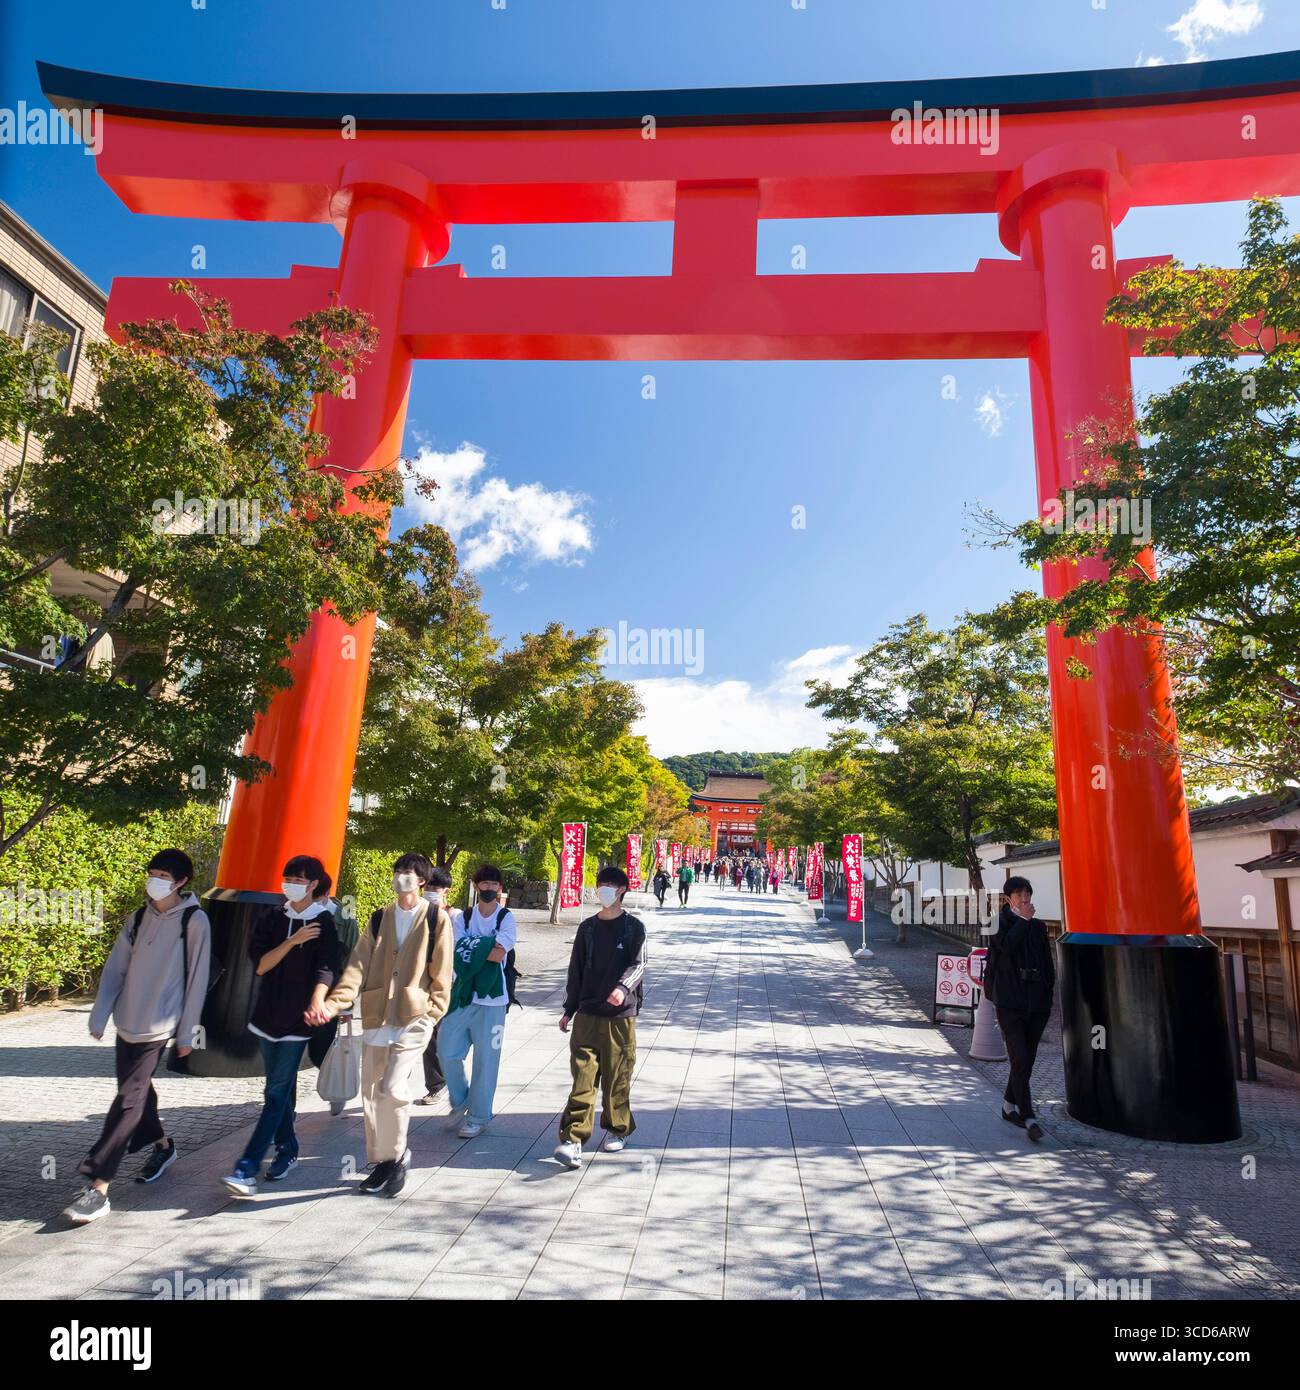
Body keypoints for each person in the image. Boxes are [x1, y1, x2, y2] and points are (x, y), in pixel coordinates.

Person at [63, 850, 211, 1225]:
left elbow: (197, 980)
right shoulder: (139, 916)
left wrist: (188, 1031)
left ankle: (98, 1185)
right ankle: (163, 1145)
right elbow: (116, 967)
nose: (154, 879)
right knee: (138, 1093)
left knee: (128, 1099)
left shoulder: (195, 921)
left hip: (159, 1024)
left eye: (163, 874)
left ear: (180, 882)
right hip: (127, 1018)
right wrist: (100, 1014)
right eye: (151, 873)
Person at [310, 852, 453, 1196]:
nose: (401, 876)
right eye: (398, 871)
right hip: (376, 1015)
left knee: (392, 1088)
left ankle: (397, 1154)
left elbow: (442, 971)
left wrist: (434, 1011)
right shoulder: (378, 918)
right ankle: (384, 1162)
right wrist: (334, 1004)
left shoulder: (436, 918)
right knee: (372, 1094)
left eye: (408, 872)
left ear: (421, 880)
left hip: (414, 1016)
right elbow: (356, 967)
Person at [221, 856, 340, 1197]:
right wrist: (292, 940)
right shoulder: (272, 918)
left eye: (299, 879)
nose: (291, 883)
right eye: (288, 877)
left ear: (314, 884)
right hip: (265, 1017)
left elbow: (326, 968)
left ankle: (246, 1168)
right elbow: (260, 966)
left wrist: (319, 1001)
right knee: (277, 1090)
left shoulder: (325, 921)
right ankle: (288, 1149)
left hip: (297, 1022)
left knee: (275, 1093)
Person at [554, 866, 646, 1170]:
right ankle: (573, 1139)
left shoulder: (634, 927)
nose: (604, 890)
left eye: (610, 885)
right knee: (582, 1075)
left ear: (622, 890)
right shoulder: (588, 928)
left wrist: (622, 989)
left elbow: (639, 964)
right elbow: (575, 970)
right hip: (588, 1012)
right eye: (601, 884)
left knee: (617, 1075)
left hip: (620, 1015)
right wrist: (569, 1009)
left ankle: (618, 1128)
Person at [436, 863, 516, 1139]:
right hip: (462, 995)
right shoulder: (464, 916)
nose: (489, 889)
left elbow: (499, 953)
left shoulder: (506, 917)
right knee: (446, 1051)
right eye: (484, 884)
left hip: (493, 1002)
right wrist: (485, 946)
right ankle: (459, 1101)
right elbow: (456, 950)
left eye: (494, 884)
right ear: (475, 885)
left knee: (486, 1060)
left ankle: (479, 1116)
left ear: (500, 888)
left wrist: (473, 947)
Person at [983, 875, 1056, 1143]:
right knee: (1020, 1058)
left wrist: (1048, 994)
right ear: (1008, 899)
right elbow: (1004, 953)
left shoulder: (1038, 927)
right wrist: (1023, 921)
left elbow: (1047, 963)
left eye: (1027, 894)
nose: (1024, 900)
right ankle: (1029, 1117)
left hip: (1036, 1003)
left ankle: (1007, 1106)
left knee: (1027, 1059)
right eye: (1019, 895)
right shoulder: (998, 924)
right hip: (1010, 1002)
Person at [416, 866, 462, 1109]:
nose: (432, 892)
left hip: (449, 984)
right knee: (425, 1035)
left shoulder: (456, 917)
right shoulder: (416, 914)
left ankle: (444, 1084)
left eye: (437, 888)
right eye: (429, 887)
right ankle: (435, 1085)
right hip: (419, 984)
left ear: (447, 891)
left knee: (442, 1036)